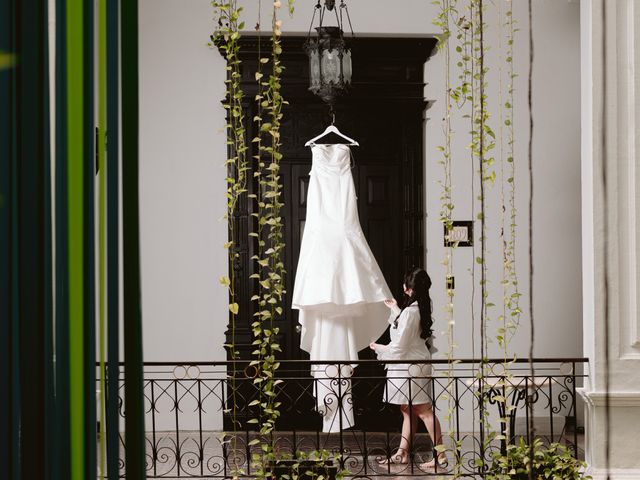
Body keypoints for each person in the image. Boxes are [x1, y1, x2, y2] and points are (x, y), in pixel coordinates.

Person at [369, 268, 448, 473]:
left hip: (410, 366)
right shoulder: (422, 305)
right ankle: (402, 453)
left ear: (409, 288)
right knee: (408, 410)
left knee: (423, 411)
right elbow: (410, 328)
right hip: (413, 364)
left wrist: (380, 348)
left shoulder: (412, 311)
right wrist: (396, 309)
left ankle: (441, 455)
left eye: (405, 284)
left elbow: (400, 345)